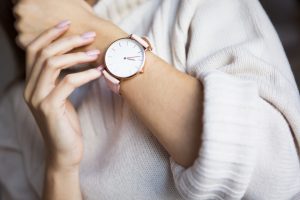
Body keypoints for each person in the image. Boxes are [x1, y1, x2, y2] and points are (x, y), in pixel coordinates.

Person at [0, 0, 300, 199]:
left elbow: (278, 181)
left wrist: (95, 35)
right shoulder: (16, 112)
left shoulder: (197, 5)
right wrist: (61, 166)